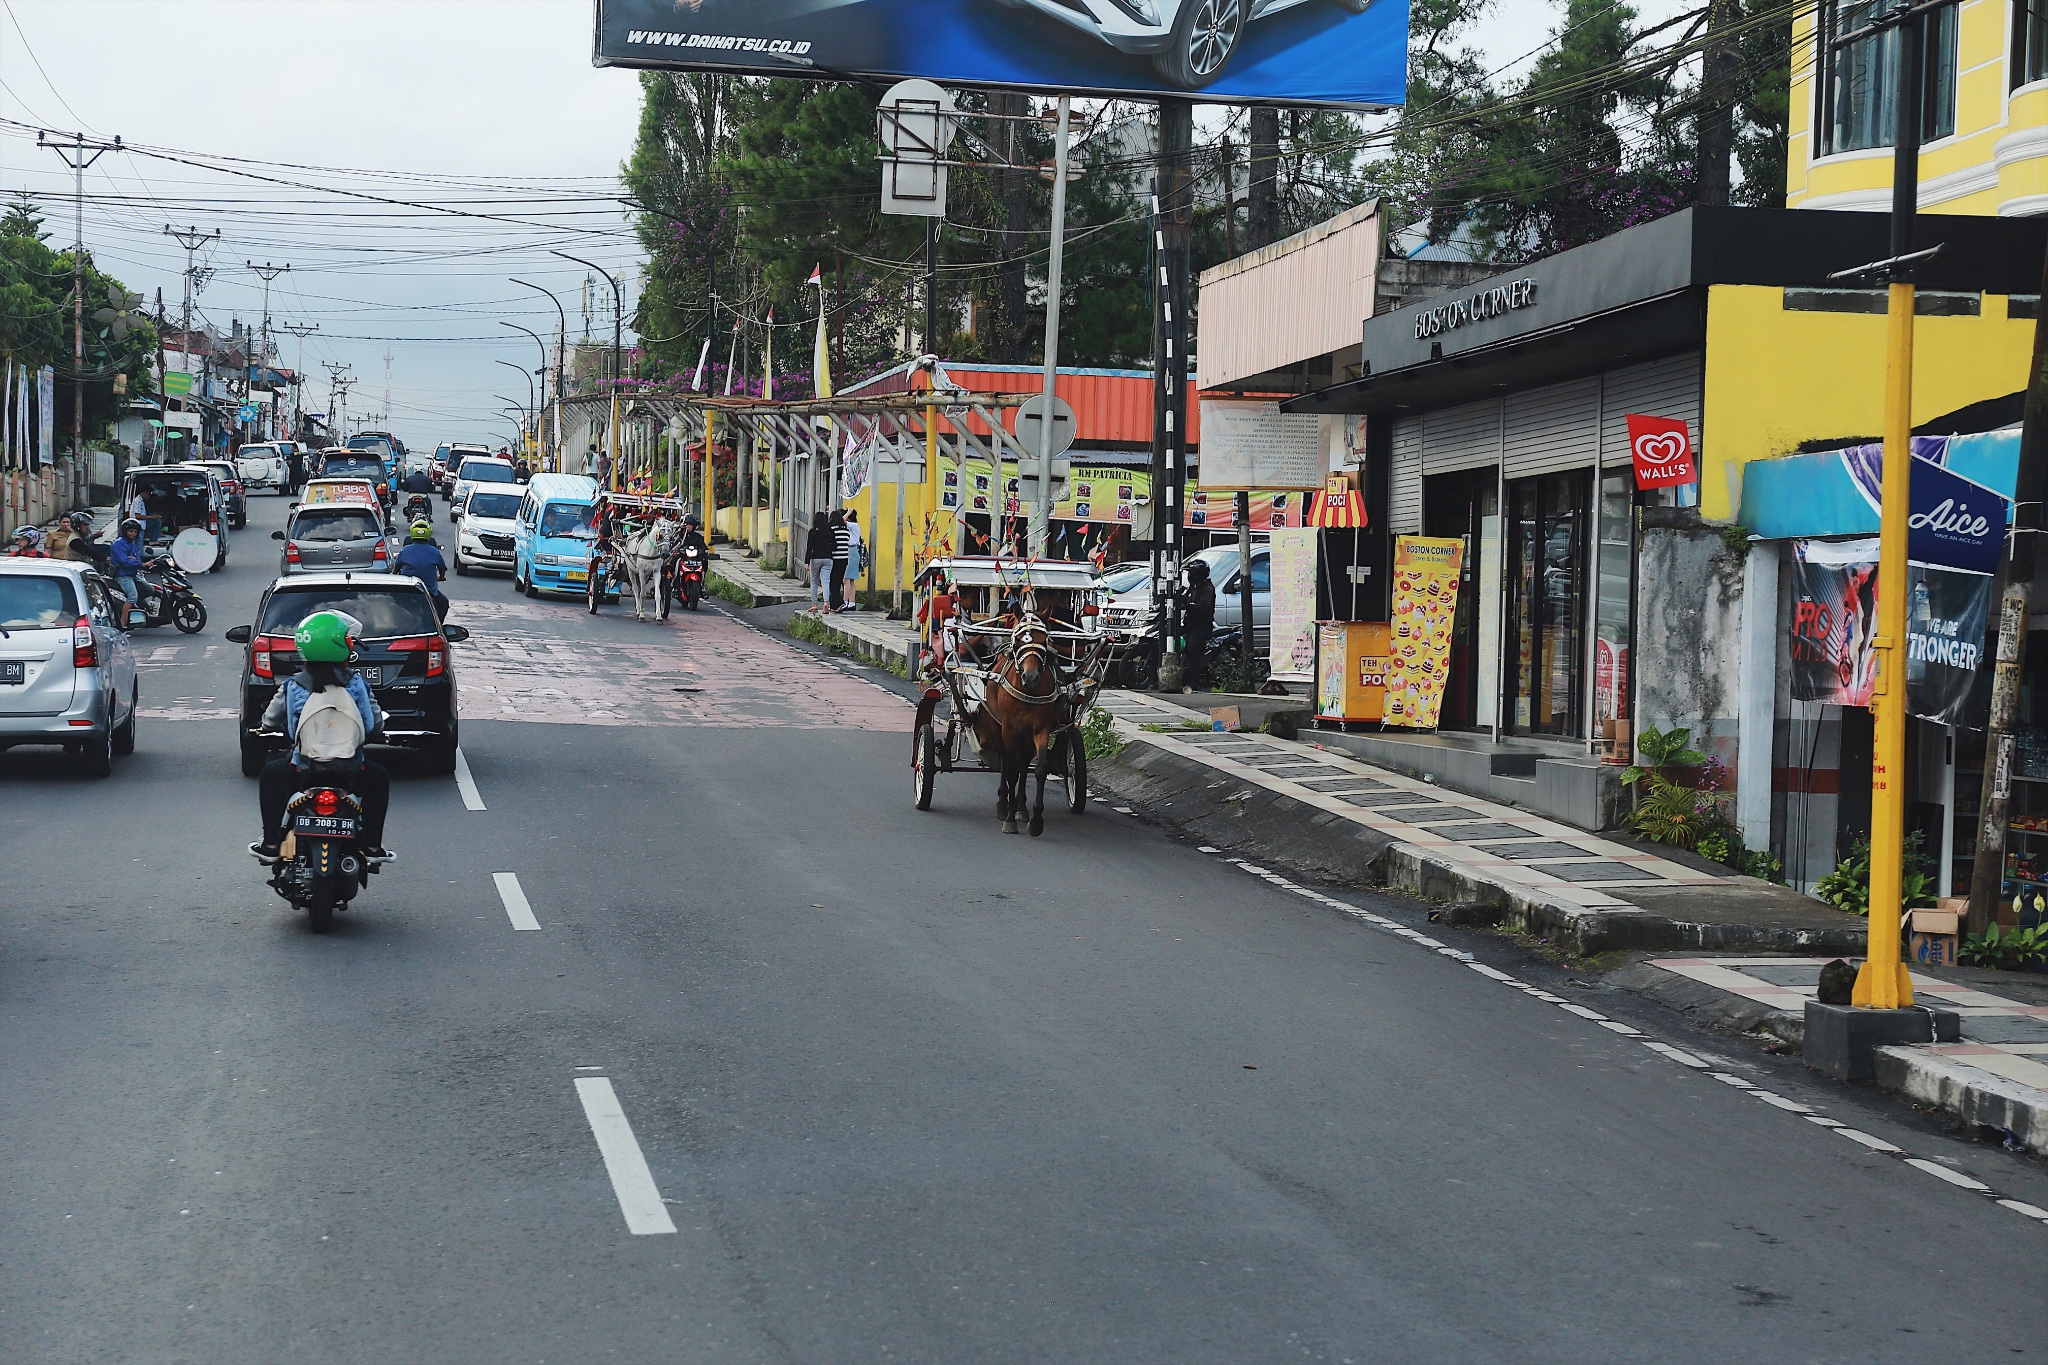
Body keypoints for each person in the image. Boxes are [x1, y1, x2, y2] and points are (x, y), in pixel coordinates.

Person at [252, 611, 390, 861]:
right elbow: (372, 725)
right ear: (342, 645)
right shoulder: (357, 683)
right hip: (350, 768)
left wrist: (265, 727)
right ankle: (372, 847)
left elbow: (270, 720)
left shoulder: (293, 685)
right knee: (379, 777)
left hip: (303, 768)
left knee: (270, 776)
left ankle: (271, 845)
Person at [393, 518, 450, 620]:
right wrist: (441, 577)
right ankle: (438, 627)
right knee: (443, 603)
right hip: (428, 591)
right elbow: (442, 568)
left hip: (405, 589)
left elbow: (396, 568)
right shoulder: (434, 551)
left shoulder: (405, 550)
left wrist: (394, 575)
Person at [1181, 558, 1216, 691]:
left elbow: (1202, 606)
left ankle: (1194, 680)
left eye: (1191, 573)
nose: (1188, 575)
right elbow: (1185, 598)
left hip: (1202, 626)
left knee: (1193, 648)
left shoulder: (1207, 589)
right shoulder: (1193, 587)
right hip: (1190, 624)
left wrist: (1187, 605)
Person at [108, 518, 145, 626]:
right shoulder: (118, 544)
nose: (133, 534)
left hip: (132, 573)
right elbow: (125, 561)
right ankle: (122, 621)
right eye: (130, 531)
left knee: (149, 589)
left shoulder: (132, 543)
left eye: (135, 531)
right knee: (133, 596)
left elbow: (136, 558)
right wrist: (138, 563)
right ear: (125, 531)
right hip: (123, 575)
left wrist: (136, 561)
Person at [804, 511, 833, 607]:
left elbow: (809, 547)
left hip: (815, 558)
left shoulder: (812, 532)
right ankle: (826, 602)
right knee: (826, 580)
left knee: (814, 581)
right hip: (828, 558)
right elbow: (835, 545)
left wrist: (807, 562)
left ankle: (814, 604)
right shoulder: (830, 531)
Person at [840, 509, 864, 611]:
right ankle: (852, 602)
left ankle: (845, 602)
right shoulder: (853, 526)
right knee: (851, 580)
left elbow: (841, 521)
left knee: (846, 579)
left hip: (851, 551)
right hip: (852, 551)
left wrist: (848, 512)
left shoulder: (853, 525)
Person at [828, 509, 850, 612]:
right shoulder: (845, 530)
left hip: (835, 559)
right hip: (844, 559)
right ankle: (833, 605)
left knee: (832, 582)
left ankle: (839, 602)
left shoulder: (832, 529)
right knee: (838, 581)